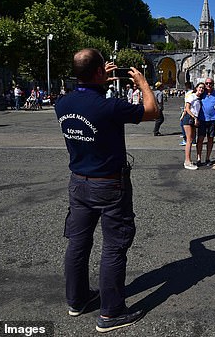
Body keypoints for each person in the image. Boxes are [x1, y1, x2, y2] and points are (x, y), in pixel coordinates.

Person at [55, 48, 158, 332]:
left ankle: (76, 301)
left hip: (78, 182)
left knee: (78, 242)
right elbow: (152, 111)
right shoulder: (110, 107)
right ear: (100, 72)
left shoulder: (62, 103)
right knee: (114, 246)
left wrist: (100, 75)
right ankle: (111, 313)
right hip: (109, 184)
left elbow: (88, 92)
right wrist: (143, 84)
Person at [182, 82, 205, 170]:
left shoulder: (199, 98)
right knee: (189, 140)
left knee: (191, 139)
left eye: (203, 88)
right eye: (200, 87)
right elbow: (187, 108)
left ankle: (189, 160)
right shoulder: (191, 96)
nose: (201, 89)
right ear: (196, 88)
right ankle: (187, 161)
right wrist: (194, 117)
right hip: (189, 118)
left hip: (193, 119)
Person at [196, 78, 215, 165]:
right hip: (202, 119)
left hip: (213, 120)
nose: (208, 85)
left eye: (210, 83)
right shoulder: (201, 93)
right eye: (207, 83)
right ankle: (199, 158)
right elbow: (191, 99)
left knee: (210, 139)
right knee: (200, 139)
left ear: (213, 84)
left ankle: (207, 158)